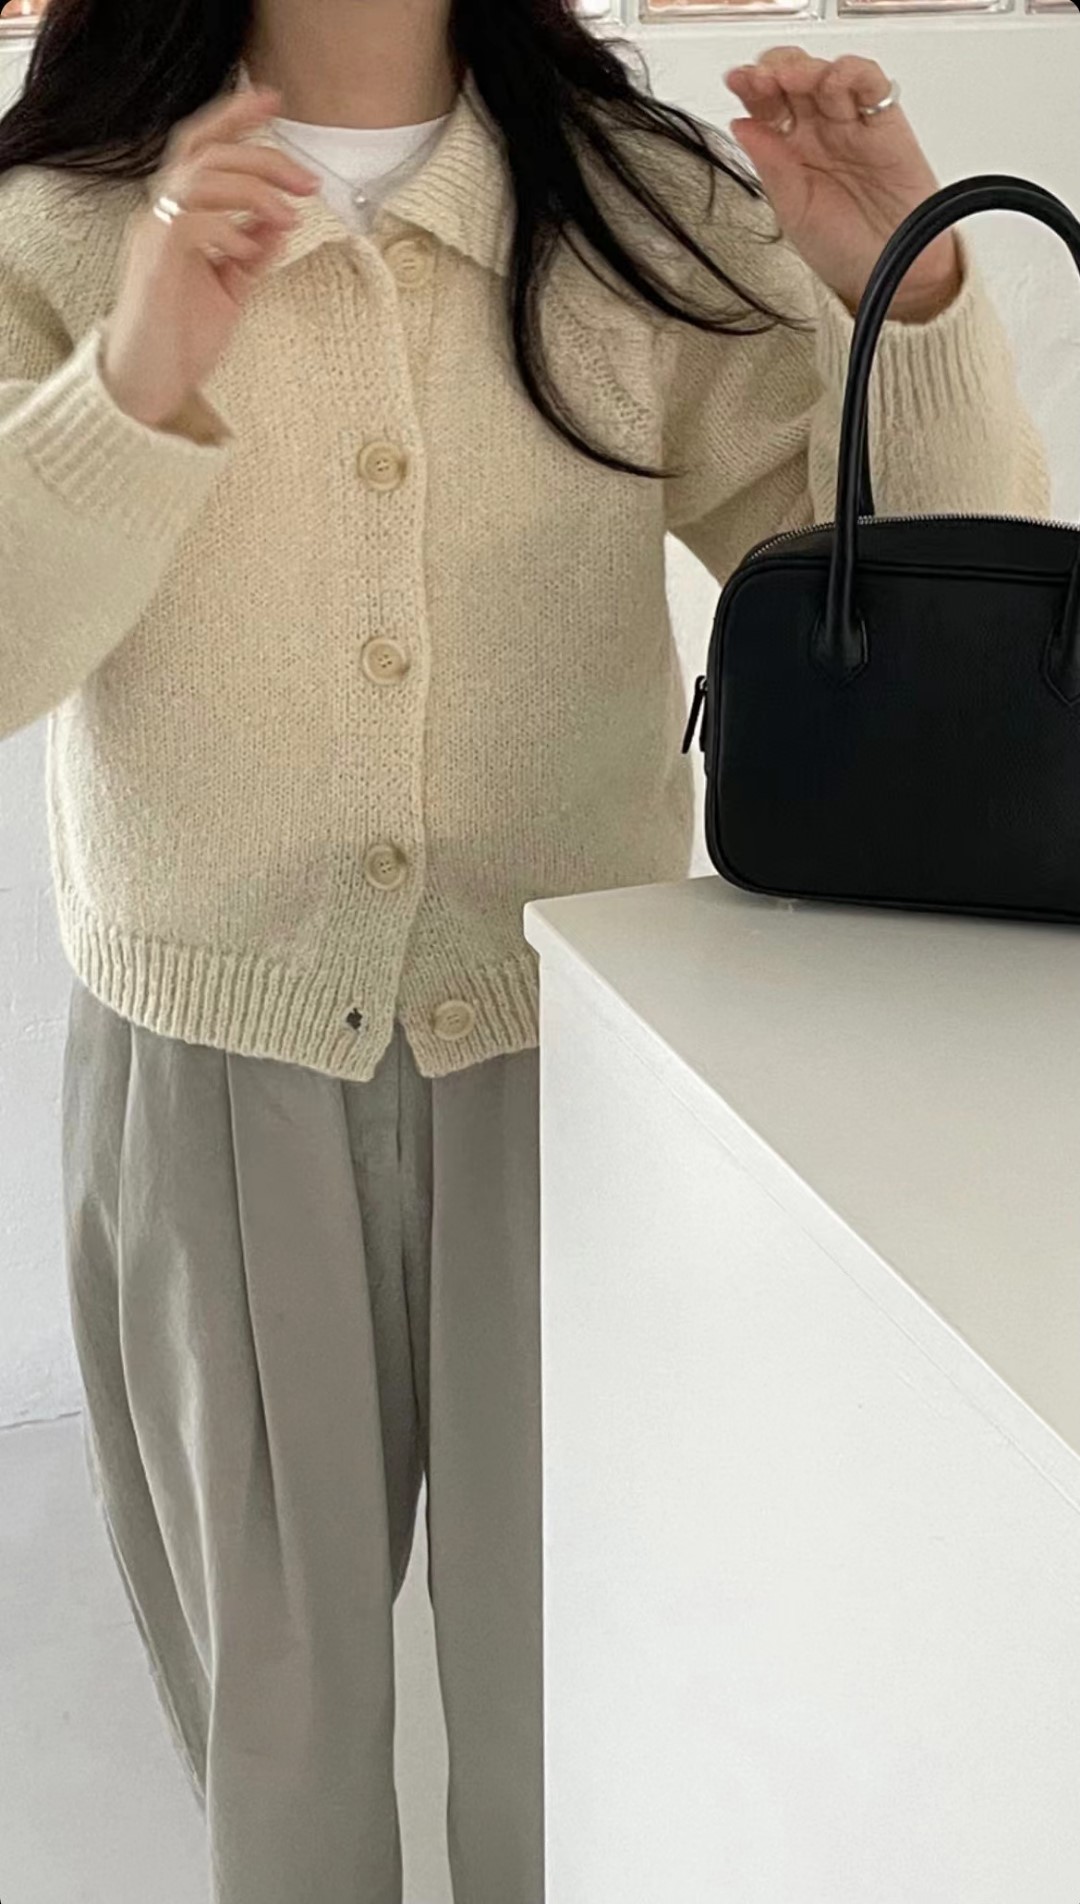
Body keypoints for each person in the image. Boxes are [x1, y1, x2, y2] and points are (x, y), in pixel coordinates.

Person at [0, 0, 1050, 1900]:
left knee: (581, 1702)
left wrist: (905, 305)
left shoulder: (645, 203)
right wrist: (133, 377)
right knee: (276, 1732)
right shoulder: (57, 220)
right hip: (212, 1074)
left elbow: (928, 647)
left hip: (581, 1073)